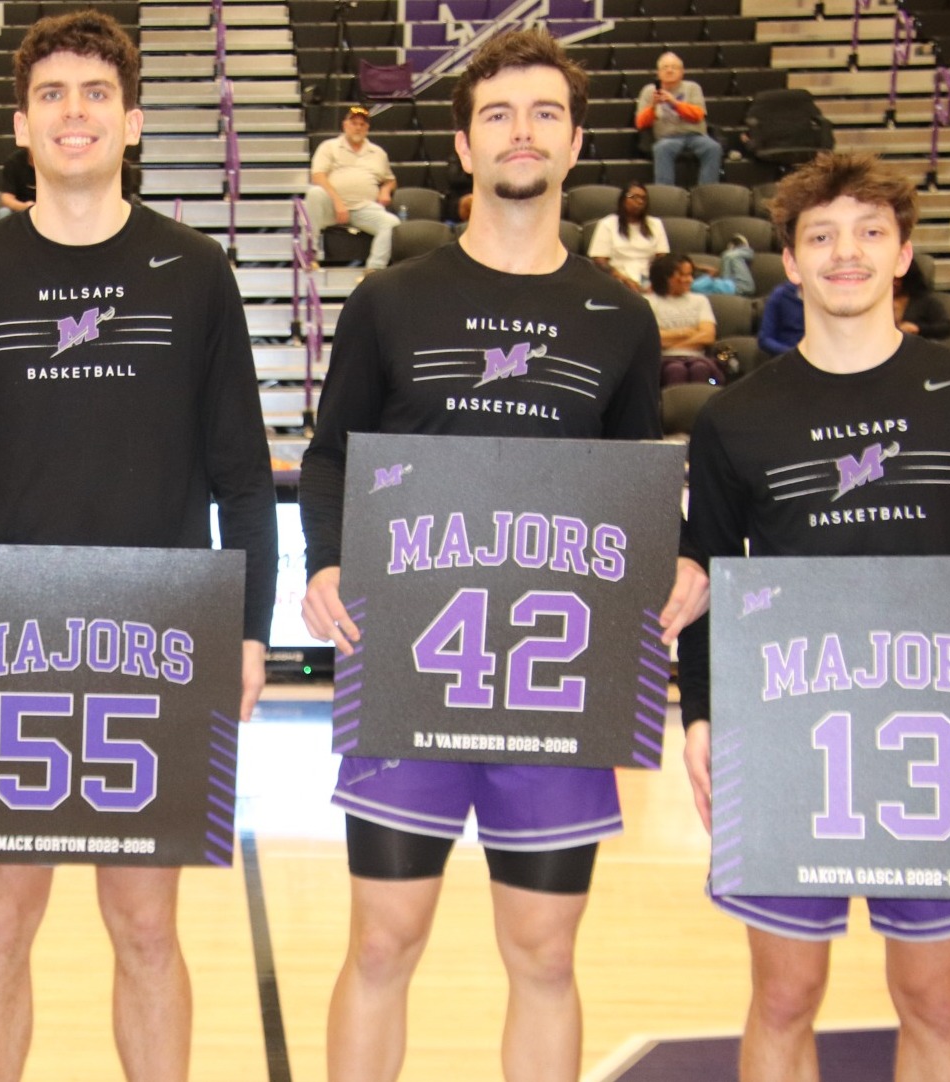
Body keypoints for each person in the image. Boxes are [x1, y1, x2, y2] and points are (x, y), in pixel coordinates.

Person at [297, 29, 708, 1082]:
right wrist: (326, 561)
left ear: (573, 146)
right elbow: (333, 453)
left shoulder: (614, 313)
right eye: (496, 115)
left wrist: (679, 557)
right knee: (382, 941)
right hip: (408, 657)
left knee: (542, 952)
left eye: (541, 115)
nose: (519, 133)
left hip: (556, 677)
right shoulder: (390, 301)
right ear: (462, 144)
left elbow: (632, 480)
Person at [0, 12, 279, 1079]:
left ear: (133, 119)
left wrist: (247, 632)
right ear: (22, 123)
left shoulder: (194, 271)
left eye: (96, 94)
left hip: (159, 627)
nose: (75, 112)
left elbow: (242, 472)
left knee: (146, 926)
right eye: (53, 94)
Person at [680, 150, 950, 1082]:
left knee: (934, 1000)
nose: (845, 253)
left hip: (944, 730)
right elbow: (706, 582)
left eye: (869, 232)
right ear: (789, 259)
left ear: (903, 253)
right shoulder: (734, 415)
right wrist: (701, 712)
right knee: (781, 998)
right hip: (790, 731)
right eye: (820, 236)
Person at [305, 105, 400, 271]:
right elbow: (318, 176)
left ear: (367, 128)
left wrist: (385, 190)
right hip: (332, 207)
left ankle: (373, 270)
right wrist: (338, 202)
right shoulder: (329, 147)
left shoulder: (378, 152)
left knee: (391, 223)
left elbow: (390, 180)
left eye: (362, 124)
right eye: (354, 123)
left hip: (364, 208)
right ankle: (310, 256)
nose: (358, 127)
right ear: (345, 125)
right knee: (314, 193)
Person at [636, 52, 722, 187]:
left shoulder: (692, 87)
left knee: (713, 148)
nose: (669, 70)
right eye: (665, 68)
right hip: (667, 138)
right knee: (661, 148)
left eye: (674, 67)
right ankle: (667, 195)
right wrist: (653, 106)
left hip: (695, 135)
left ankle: (707, 192)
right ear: (658, 73)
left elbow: (698, 115)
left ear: (682, 72)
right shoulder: (649, 91)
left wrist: (674, 103)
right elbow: (640, 123)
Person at [646, 253, 721, 384]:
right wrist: (686, 332)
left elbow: (708, 336)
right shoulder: (649, 302)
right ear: (666, 278)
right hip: (663, 360)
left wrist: (670, 342)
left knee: (700, 368)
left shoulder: (700, 300)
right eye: (683, 275)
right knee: (675, 370)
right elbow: (652, 339)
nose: (690, 280)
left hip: (697, 357)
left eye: (690, 274)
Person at [587, 180, 670, 290]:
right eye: (634, 197)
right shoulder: (607, 224)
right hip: (616, 279)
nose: (639, 201)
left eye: (643, 198)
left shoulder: (655, 224)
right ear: (622, 200)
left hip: (648, 280)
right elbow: (600, 261)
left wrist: (655, 282)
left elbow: (662, 258)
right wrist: (624, 280)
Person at [892, 260, 950, 340]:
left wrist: (918, 328)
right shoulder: (874, 300)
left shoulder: (924, 301)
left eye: (899, 279)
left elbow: (946, 327)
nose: (894, 283)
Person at [757, 279, 804, 356]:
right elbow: (764, 339)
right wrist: (793, 353)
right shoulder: (780, 295)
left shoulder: (823, 298)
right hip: (786, 356)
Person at [0, 146, 36, 219]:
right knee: (3, 212)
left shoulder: (54, 162)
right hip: (20, 209)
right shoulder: (14, 162)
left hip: (47, 210)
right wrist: (25, 207)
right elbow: (6, 198)